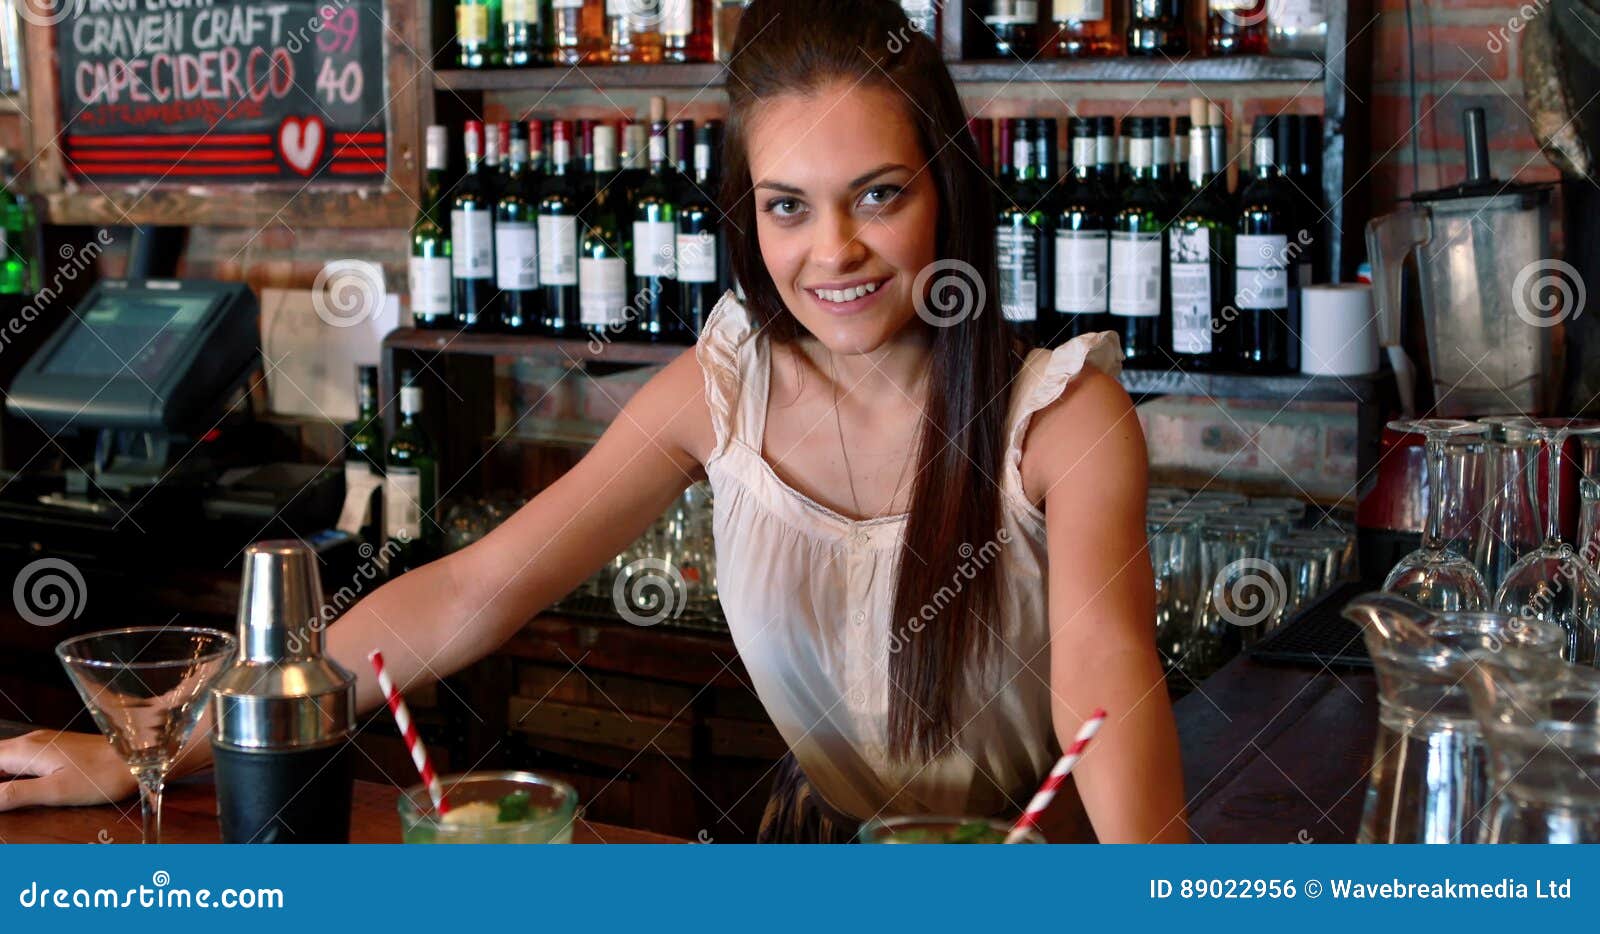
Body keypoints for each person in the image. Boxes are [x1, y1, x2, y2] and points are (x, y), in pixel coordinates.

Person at [0, 0, 1187, 843]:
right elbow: (463, 595)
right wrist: (147, 750)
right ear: (746, 217)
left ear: (948, 189)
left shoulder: (1062, 418)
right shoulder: (723, 389)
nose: (832, 251)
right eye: (788, 207)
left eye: (879, 194)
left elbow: (1107, 687)